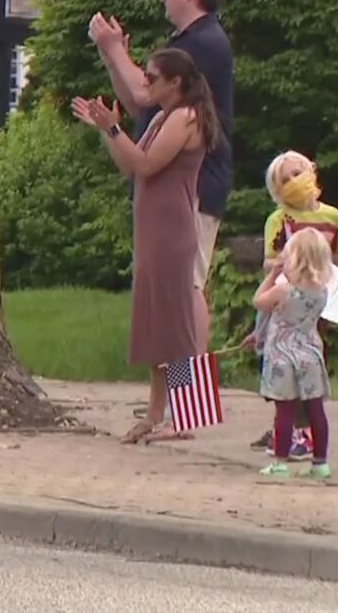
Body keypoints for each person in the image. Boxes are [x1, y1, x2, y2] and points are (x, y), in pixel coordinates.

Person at [71, 48, 220, 444]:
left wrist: (116, 130)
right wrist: (107, 130)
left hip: (173, 233)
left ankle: (187, 415)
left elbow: (148, 164)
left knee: (178, 329)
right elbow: (129, 165)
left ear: (175, 82)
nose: (146, 84)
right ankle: (155, 414)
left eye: (152, 78)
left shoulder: (186, 117)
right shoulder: (159, 118)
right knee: (155, 326)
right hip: (152, 231)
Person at [88, 0, 234, 297]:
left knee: (188, 286)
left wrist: (114, 47)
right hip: (170, 189)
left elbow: (142, 90)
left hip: (196, 185)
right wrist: (113, 60)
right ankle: (175, 352)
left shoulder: (205, 42)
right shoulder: (184, 42)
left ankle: (191, 352)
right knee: (169, 288)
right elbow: (141, 101)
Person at [247, 150, 338, 458]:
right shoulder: (278, 220)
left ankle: (301, 432)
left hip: (316, 301)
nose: (293, 182)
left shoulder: (332, 217)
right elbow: (268, 261)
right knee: (275, 360)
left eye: (297, 173)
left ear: (312, 172)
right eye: (284, 180)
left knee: (308, 364)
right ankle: (286, 427)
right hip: (284, 298)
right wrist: (285, 265)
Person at [253, 228, 334, 480]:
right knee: (315, 409)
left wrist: (272, 275)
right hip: (310, 353)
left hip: (282, 356)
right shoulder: (321, 291)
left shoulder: (283, 290)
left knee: (285, 411)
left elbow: (258, 301)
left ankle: (280, 462)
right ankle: (320, 463)